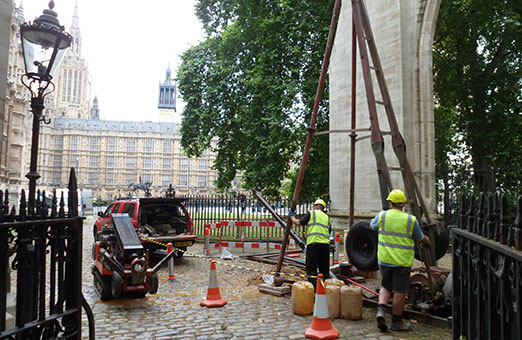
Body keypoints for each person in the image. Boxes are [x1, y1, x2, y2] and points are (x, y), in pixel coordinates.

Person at [371, 189, 430, 331]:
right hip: (402, 262)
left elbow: (371, 227)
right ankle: (396, 322)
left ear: (390, 203)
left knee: (385, 286)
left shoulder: (382, 216)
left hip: (384, 260)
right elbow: (421, 238)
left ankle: (381, 310)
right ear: (403, 204)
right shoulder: (411, 220)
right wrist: (428, 241)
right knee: (399, 291)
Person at [289, 199, 332, 289]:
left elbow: (298, 223)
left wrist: (292, 217)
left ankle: (314, 291)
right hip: (325, 246)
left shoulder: (311, 213)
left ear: (314, 206)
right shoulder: (328, 218)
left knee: (311, 270)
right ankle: (323, 292)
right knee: (324, 271)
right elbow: (328, 232)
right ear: (323, 208)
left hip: (313, 245)